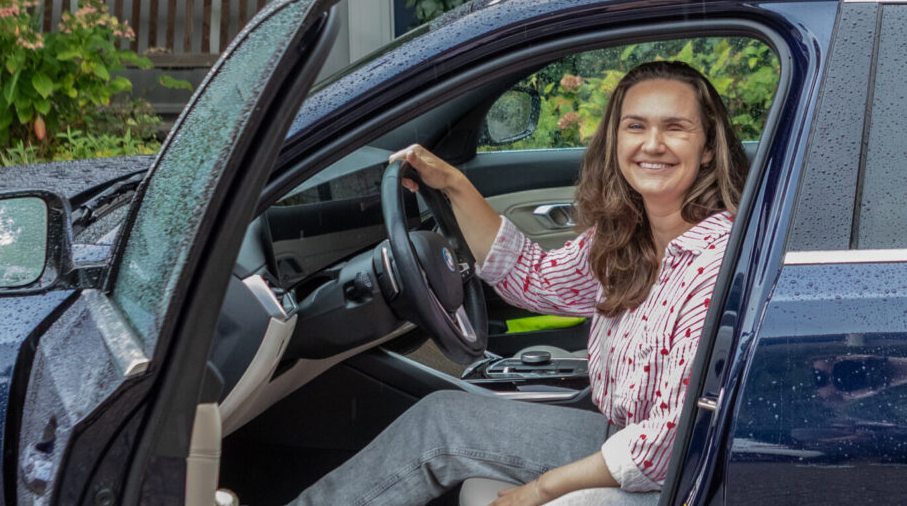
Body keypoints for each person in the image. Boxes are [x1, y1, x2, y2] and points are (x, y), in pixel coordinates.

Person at [287, 61, 749, 506]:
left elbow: (669, 446)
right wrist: (453, 184)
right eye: (635, 126)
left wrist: (542, 489)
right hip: (624, 441)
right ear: (615, 140)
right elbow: (533, 277)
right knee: (441, 419)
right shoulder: (631, 239)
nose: (652, 144)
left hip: (684, 479)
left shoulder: (714, 263)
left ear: (708, 147)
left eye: (675, 128)